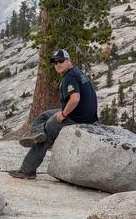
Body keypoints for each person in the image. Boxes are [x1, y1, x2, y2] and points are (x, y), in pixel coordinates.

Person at [9, 49, 99, 179]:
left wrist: (63, 114)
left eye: (61, 61)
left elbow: (75, 99)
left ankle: (27, 170)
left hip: (76, 117)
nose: (58, 64)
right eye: (55, 62)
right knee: (44, 116)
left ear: (68, 60)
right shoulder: (77, 72)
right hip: (85, 114)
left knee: (47, 132)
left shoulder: (69, 77)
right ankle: (36, 134)